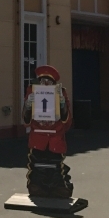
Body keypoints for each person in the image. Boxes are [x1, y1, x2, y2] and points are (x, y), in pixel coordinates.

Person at [22, 65, 73, 198]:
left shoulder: (60, 92)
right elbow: (26, 119)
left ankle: (58, 187)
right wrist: (28, 105)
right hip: (38, 136)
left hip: (55, 137)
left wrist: (62, 105)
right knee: (36, 165)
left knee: (56, 165)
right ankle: (36, 186)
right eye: (42, 81)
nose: (45, 84)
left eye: (48, 82)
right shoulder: (32, 92)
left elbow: (66, 120)